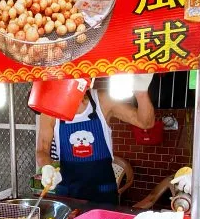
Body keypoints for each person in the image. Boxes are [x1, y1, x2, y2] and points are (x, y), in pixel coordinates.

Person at [35, 74, 154, 204]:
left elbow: (146, 123)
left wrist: (141, 93)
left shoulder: (103, 101)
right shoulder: (50, 111)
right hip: (68, 193)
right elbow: (42, 149)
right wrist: (46, 167)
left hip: (103, 192)